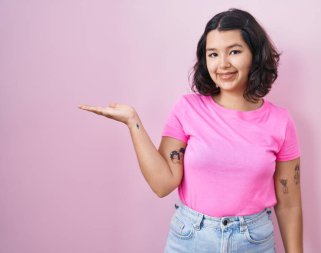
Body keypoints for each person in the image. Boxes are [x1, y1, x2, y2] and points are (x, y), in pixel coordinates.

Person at [78, 8, 303, 253]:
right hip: (191, 238)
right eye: (213, 54)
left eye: (235, 52)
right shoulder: (187, 109)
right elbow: (163, 184)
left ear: (254, 55)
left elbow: (289, 204)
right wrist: (133, 122)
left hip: (253, 242)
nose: (223, 63)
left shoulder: (280, 121)